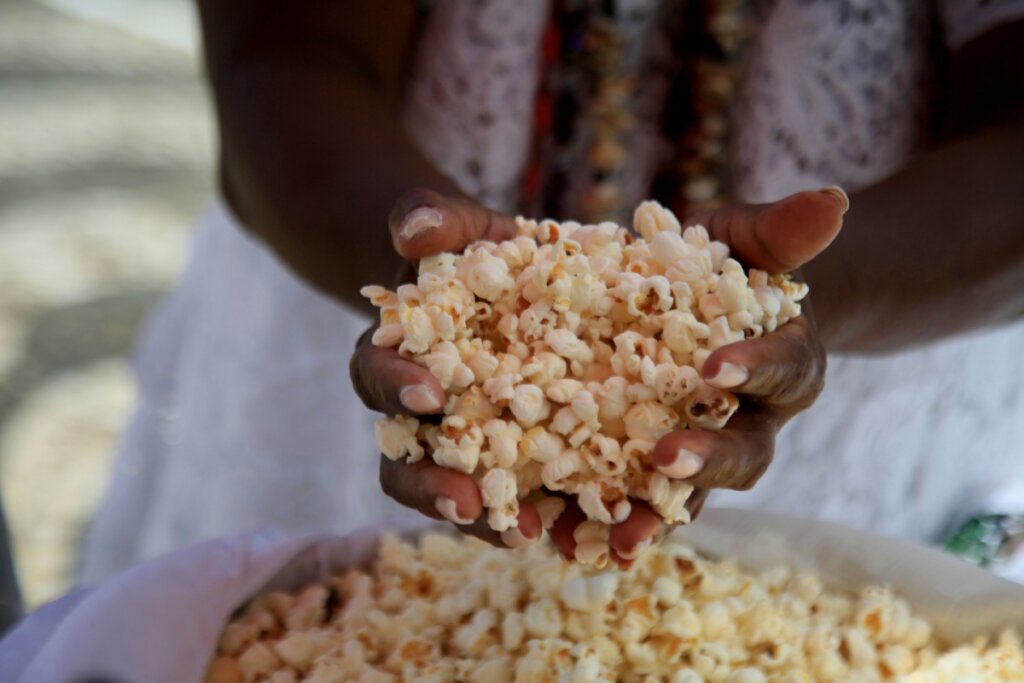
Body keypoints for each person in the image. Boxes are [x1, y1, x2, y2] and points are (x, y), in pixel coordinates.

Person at [79, 0, 1024, 581]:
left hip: (903, 302)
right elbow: (288, 51)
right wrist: (432, 295)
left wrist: (783, 302)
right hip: (345, 228)